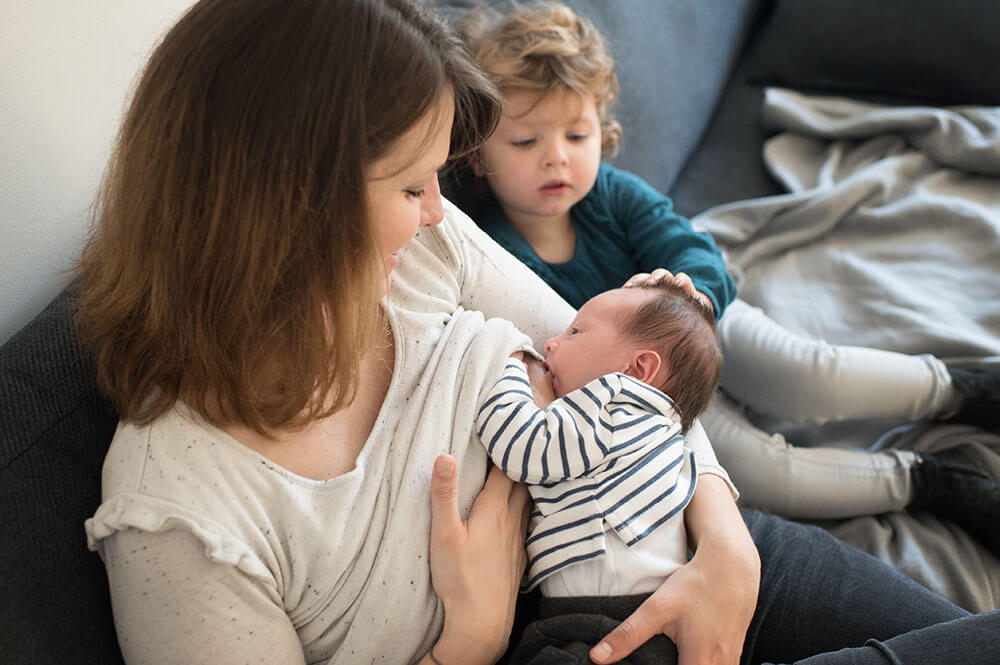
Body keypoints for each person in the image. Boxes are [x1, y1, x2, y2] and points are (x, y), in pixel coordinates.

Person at [74, 1, 999, 665]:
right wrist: (467, 646)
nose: (443, 215)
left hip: (672, 527)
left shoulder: (421, 258)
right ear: (283, 208)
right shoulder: (183, 514)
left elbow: (645, 386)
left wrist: (725, 540)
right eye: (409, 188)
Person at [455, 0, 1000, 547]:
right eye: (526, 142)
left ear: (603, 129)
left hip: (699, 320)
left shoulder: (611, 195)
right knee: (764, 471)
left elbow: (693, 249)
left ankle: (960, 388)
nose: (558, 159)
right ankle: (926, 479)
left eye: (577, 136)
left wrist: (695, 293)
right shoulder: (493, 254)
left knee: (811, 376)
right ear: (478, 155)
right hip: (648, 404)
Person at [476, 283, 721, 597]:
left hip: (610, 614)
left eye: (576, 332)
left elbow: (522, 446)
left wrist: (510, 362)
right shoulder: (658, 428)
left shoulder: (615, 414)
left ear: (637, 369)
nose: (551, 343)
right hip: (630, 602)